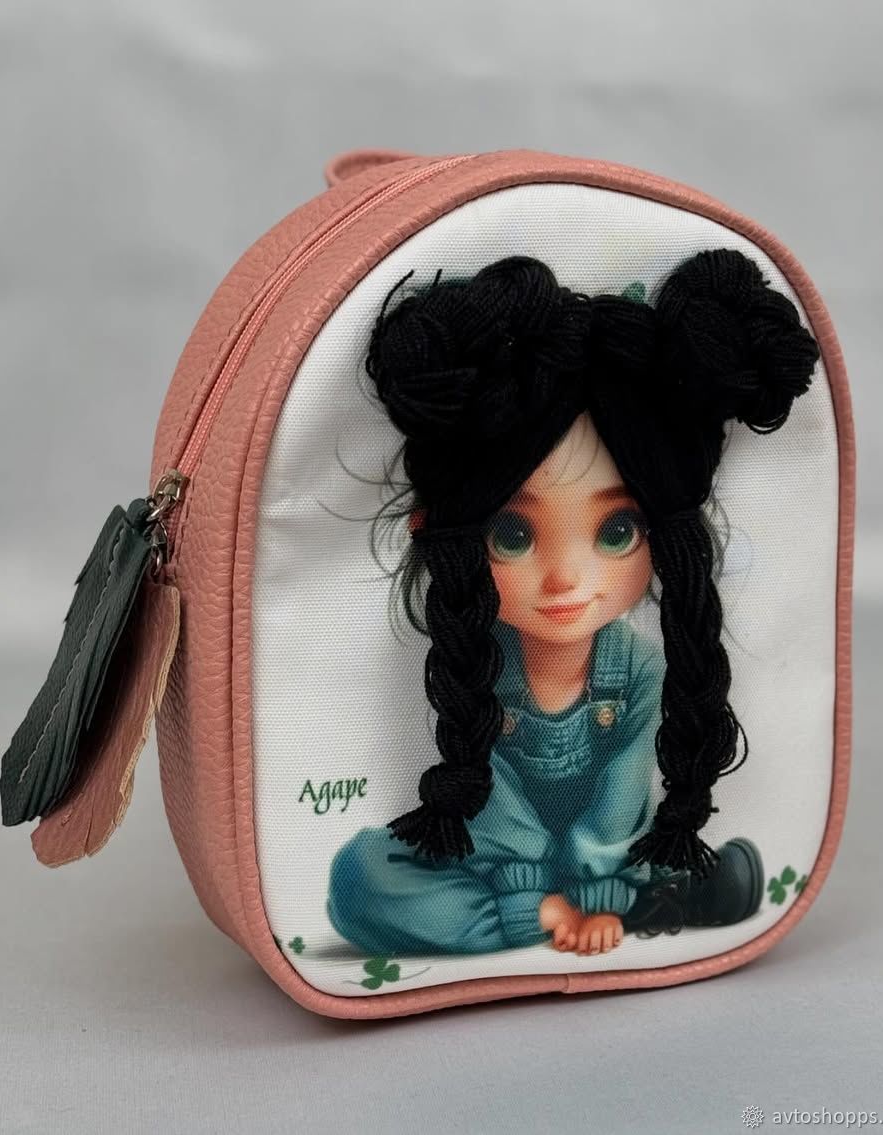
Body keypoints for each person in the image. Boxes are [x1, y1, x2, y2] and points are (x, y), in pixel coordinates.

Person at [326, 251, 818, 956]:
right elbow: (487, 790)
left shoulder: (638, 669)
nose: (564, 579)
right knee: (361, 873)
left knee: (656, 845)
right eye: (513, 534)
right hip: (498, 862)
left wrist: (599, 884)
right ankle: (637, 905)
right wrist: (538, 898)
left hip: (610, 856)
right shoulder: (474, 659)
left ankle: (618, 897)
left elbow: (624, 790)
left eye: (616, 531)